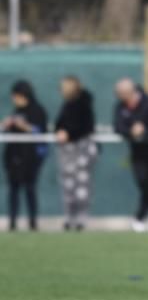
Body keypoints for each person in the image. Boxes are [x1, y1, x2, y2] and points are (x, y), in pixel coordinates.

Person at [113, 78, 148, 233]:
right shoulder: (120, 106)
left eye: (122, 93)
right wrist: (131, 131)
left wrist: (143, 131)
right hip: (136, 150)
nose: (119, 96)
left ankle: (141, 216)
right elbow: (118, 127)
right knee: (142, 182)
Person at [3, 80, 48, 232]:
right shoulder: (16, 111)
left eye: (16, 95)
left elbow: (41, 132)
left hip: (30, 158)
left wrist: (25, 126)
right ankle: (12, 222)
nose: (14, 99)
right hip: (14, 156)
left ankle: (33, 222)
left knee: (30, 188)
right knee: (13, 190)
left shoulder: (37, 110)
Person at [54, 76, 97, 231]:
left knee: (82, 187)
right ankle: (69, 218)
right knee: (68, 186)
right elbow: (58, 124)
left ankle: (81, 218)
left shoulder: (84, 105)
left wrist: (69, 134)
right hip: (67, 152)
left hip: (82, 151)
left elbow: (86, 127)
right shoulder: (66, 105)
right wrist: (60, 132)